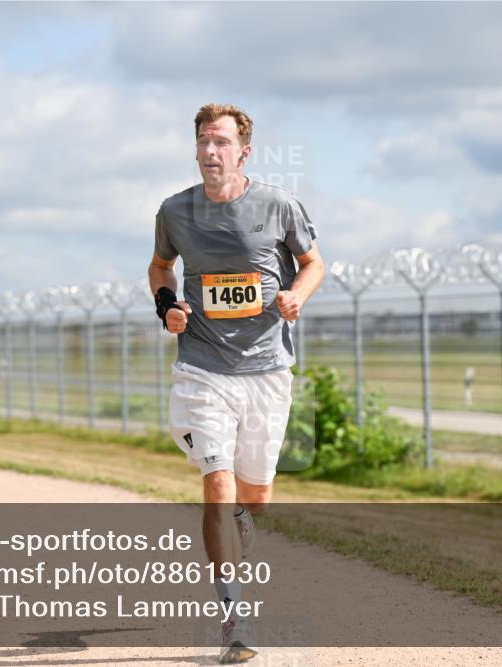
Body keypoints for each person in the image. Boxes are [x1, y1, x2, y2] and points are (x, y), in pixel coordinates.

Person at [148, 103, 324, 664]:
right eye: (203, 141)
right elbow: (159, 267)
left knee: (256, 496)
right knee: (217, 483)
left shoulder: (277, 204)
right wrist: (167, 306)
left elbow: (314, 262)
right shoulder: (175, 211)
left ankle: (246, 516)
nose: (209, 151)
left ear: (243, 151)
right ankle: (234, 617)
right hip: (202, 365)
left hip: (266, 367)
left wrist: (298, 295)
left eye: (221, 142)